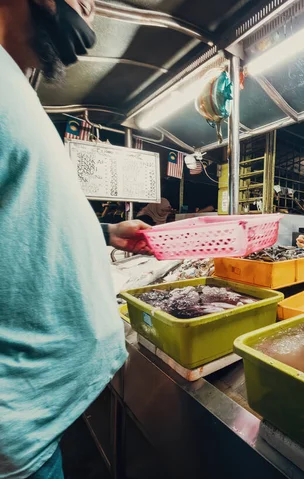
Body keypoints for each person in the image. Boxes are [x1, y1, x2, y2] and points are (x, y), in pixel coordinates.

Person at [0, 1, 151, 478]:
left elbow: (26, 212)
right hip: (17, 441)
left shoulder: (15, 86)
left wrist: (105, 231)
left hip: (40, 423)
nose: (87, 6)